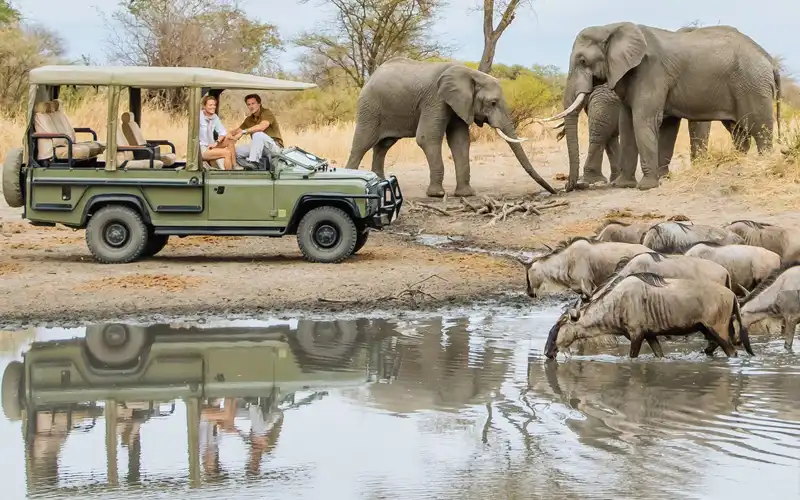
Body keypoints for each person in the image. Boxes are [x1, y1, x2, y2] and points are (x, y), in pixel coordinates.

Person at [230, 93, 284, 168]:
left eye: (253, 103)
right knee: (235, 152)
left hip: (273, 147)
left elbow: (262, 127)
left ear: (259, 104)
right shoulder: (249, 119)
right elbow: (236, 131)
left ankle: (253, 161)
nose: (251, 106)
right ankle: (252, 167)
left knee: (257, 134)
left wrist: (243, 132)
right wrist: (224, 135)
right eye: (248, 104)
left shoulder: (266, 113)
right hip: (258, 149)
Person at [199, 95, 236, 170]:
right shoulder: (198, 116)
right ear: (204, 106)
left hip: (211, 145)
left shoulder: (215, 117)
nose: (213, 107)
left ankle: (234, 166)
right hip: (202, 148)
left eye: (214, 105)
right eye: (210, 105)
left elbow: (222, 132)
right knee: (227, 153)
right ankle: (229, 176)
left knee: (230, 141)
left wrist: (216, 142)